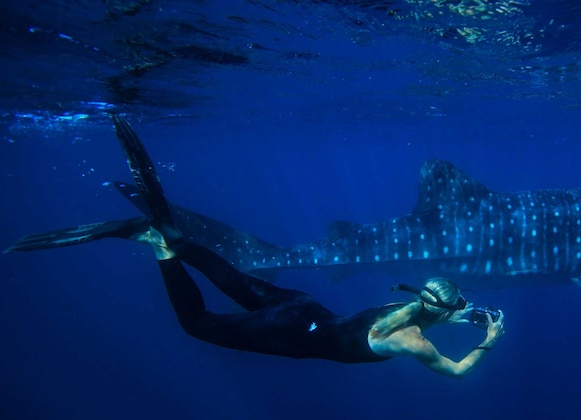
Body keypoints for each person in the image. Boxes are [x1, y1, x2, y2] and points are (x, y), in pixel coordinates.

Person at [5, 115, 504, 378]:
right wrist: (489, 339)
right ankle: (160, 245)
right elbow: (457, 372)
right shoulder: (412, 341)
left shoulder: (407, 303)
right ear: (448, 307)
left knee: (234, 278)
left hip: (300, 306)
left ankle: (175, 237)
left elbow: (430, 307)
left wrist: (458, 312)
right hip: (293, 336)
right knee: (196, 324)